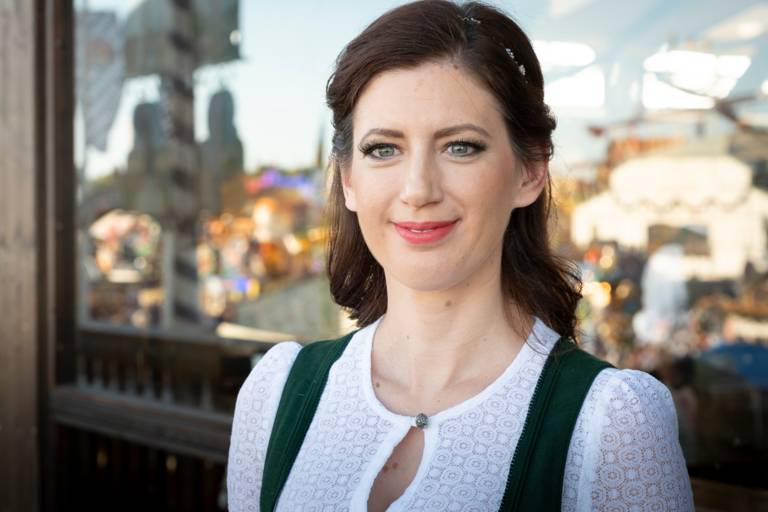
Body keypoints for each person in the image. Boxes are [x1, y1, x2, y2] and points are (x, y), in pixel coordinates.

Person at [227, 1, 694, 510]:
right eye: (383, 148)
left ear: (530, 171)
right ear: (348, 180)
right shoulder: (276, 395)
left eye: (460, 146)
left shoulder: (612, 424)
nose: (418, 188)